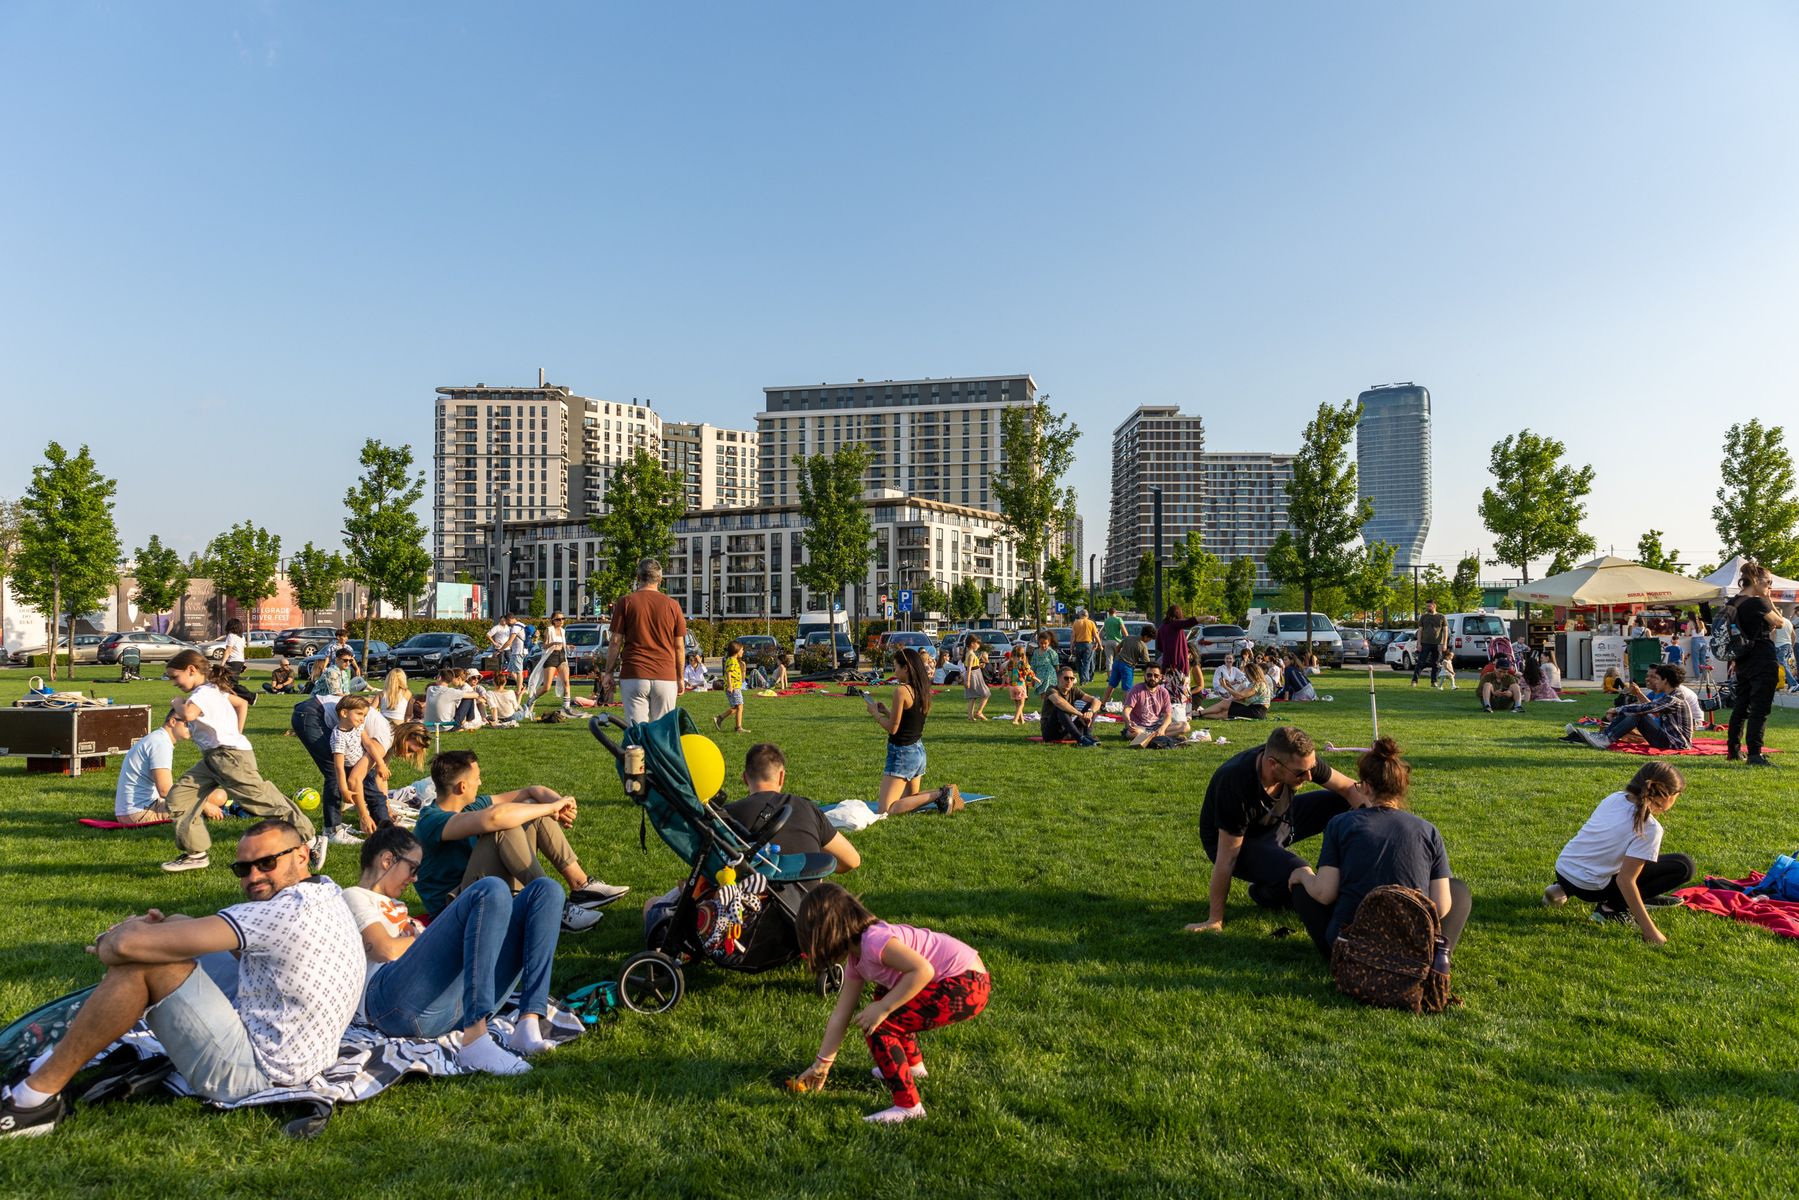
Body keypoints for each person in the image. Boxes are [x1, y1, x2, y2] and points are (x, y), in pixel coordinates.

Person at [0, 820, 363, 1136]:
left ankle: (33, 1102)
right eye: (243, 869)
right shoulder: (324, 892)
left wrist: (118, 939)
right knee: (168, 937)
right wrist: (165, 930)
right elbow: (214, 938)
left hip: (258, 1074)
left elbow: (122, 947)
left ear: (301, 855)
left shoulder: (279, 913)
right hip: (304, 1056)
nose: (254, 877)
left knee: (145, 964)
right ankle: (43, 1068)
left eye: (267, 863)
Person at [345, 827, 561, 1074]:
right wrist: (423, 937)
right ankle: (476, 1038)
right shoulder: (354, 896)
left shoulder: (400, 908)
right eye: (413, 869)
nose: (415, 879)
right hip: (388, 1005)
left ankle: (528, 1022)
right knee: (490, 889)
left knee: (547, 891)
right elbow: (386, 949)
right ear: (387, 860)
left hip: (447, 1008)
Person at [792, 883, 990, 1125]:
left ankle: (908, 1107)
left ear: (829, 932)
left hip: (967, 983)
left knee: (879, 1024)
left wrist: (884, 1008)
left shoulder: (874, 941)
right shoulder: (857, 958)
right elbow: (840, 1015)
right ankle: (913, 1067)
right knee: (883, 997)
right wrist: (821, 1064)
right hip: (964, 980)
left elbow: (923, 970)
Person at [1287, 738, 1472, 958]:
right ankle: (1436, 955)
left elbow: (1325, 893)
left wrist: (1303, 875)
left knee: (1303, 889)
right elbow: (1440, 906)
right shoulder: (1428, 831)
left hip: (1351, 947)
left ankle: (1338, 954)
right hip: (1410, 949)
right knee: (1457, 889)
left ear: (1365, 787)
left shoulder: (1341, 824)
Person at [411, 749, 627, 929]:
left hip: (482, 890)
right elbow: (495, 818)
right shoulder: (431, 821)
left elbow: (530, 792)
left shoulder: (468, 806)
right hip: (454, 912)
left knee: (531, 810)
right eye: (477, 778)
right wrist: (551, 808)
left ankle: (581, 887)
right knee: (503, 826)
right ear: (462, 787)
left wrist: (560, 804)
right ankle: (554, 907)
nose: (481, 782)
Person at [1187, 726, 1368, 932]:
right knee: (1299, 871)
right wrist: (1215, 919)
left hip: (1277, 820)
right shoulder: (1236, 783)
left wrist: (1381, 818)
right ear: (1273, 764)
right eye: (1301, 773)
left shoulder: (1299, 761)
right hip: (1241, 843)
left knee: (1341, 802)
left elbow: (1348, 787)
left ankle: (1271, 891)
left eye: (1312, 767)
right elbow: (1226, 859)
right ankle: (1284, 899)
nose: (1309, 777)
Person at [161, 650, 322, 874]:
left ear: (191, 670)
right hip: (213, 758)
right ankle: (195, 853)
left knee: (260, 801)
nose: (173, 682)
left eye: (175, 676)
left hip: (229, 758)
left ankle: (311, 839)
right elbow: (242, 704)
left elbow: (188, 714)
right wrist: (235, 733)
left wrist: (177, 702)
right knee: (179, 798)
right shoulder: (213, 690)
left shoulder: (204, 693)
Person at [1544, 763, 1694, 941]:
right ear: (1667, 796)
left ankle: (1562, 889)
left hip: (1563, 870)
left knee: (1638, 861)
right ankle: (1611, 909)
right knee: (1683, 866)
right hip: (1590, 887)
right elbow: (1625, 880)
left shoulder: (1614, 798)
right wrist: (1650, 930)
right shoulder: (1650, 827)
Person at [725, 743, 861, 873]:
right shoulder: (807, 808)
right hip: (807, 889)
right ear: (781, 776)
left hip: (754, 888)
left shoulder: (726, 816)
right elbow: (852, 860)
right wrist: (818, 867)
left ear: (745, 778)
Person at [866, 648, 962, 815]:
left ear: (906, 668)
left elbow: (893, 729)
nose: (894, 671)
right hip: (917, 751)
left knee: (886, 810)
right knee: (909, 800)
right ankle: (944, 792)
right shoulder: (922, 689)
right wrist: (887, 711)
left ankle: (941, 793)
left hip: (902, 753)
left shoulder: (901, 691)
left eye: (896, 667)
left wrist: (875, 714)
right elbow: (909, 720)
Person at [604, 558, 688, 725]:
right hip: (665, 675)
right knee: (663, 731)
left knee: (637, 731)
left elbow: (615, 641)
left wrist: (608, 673)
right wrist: (680, 677)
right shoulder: (673, 605)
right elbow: (679, 646)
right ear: (660, 579)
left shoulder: (626, 602)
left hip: (634, 673)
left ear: (638, 577)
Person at [115, 703, 225, 825]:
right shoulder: (161, 743)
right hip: (139, 813)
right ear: (173, 722)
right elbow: (165, 790)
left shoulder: (158, 738)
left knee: (219, 795)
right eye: (188, 724)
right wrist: (204, 805)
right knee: (214, 799)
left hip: (134, 809)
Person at [1724, 561, 1778, 765]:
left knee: (1741, 707)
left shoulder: (1733, 602)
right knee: (1759, 708)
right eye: (1768, 582)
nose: (1770, 586)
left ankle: (1733, 750)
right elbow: (1780, 622)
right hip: (1762, 658)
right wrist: (1768, 600)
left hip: (1742, 659)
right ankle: (1755, 753)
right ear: (1756, 580)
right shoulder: (1757, 603)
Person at [1576, 663, 1694, 751]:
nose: (1655, 682)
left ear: (1665, 680)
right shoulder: (1672, 695)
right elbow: (1648, 707)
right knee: (1635, 712)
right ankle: (1603, 736)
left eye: (1657, 679)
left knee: (1638, 714)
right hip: (1668, 739)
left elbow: (1647, 708)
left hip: (1676, 743)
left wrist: (1617, 709)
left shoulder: (1674, 699)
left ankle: (1606, 739)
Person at [1197, 658, 1271, 721]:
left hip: (1257, 712)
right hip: (1254, 710)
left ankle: (1199, 713)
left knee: (1224, 712)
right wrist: (1229, 686)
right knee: (1225, 704)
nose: (1245, 675)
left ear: (1252, 673)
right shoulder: (1255, 683)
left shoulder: (1259, 684)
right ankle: (1199, 714)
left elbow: (1240, 696)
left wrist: (1225, 686)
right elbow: (1239, 697)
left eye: (1246, 673)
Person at [529, 611, 574, 714]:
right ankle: (531, 700)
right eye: (558, 619)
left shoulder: (563, 631)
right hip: (551, 656)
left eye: (563, 619)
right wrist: (553, 643)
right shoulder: (549, 630)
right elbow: (544, 646)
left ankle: (566, 707)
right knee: (546, 687)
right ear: (553, 620)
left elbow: (562, 644)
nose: (561, 621)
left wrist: (568, 646)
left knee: (566, 682)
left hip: (561, 655)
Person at [1041, 665, 1099, 745]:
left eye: (1072, 679)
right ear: (1058, 678)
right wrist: (1080, 714)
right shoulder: (1051, 690)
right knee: (1060, 708)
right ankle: (1081, 739)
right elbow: (1059, 702)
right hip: (1051, 732)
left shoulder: (1074, 690)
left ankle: (1087, 735)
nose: (1069, 681)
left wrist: (1090, 712)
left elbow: (1096, 700)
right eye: (1066, 678)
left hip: (1067, 728)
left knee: (1092, 705)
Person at [1101, 625, 1153, 709]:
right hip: (1127, 666)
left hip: (1117, 662)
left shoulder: (1128, 638)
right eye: (1150, 639)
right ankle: (1126, 708)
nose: (1149, 641)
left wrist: (1118, 656)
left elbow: (1117, 648)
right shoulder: (1143, 645)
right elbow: (1147, 662)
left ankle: (1102, 703)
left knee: (1111, 684)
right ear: (1146, 636)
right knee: (1127, 689)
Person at [1124, 663, 1172, 747]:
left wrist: (1162, 728)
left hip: (1157, 726)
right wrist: (1128, 722)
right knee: (1134, 732)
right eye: (1149, 675)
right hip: (1140, 727)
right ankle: (1157, 737)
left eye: (1156, 676)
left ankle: (1146, 738)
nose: (1152, 678)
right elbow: (1126, 710)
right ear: (1144, 675)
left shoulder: (1164, 692)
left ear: (1161, 677)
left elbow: (1168, 715)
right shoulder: (1136, 689)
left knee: (1185, 726)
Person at [1155, 605, 1201, 686]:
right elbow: (1189, 622)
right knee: (1181, 688)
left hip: (1166, 663)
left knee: (1167, 687)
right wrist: (1207, 617)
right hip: (1178, 664)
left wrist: (1168, 649)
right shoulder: (1175, 624)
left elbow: (1159, 646)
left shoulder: (1162, 627)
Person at [713, 640, 749, 733]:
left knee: (736, 708)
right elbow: (728, 673)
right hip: (734, 688)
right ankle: (738, 728)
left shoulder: (734, 660)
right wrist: (730, 686)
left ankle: (720, 718)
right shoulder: (732, 660)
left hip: (735, 687)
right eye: (742, 650)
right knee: (740, 706)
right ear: (736, 650)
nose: (743, 651)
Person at [219, 618, 257, 705]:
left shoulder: (231, 636)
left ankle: (251, 696)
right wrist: (243, 663)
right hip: (238, 661)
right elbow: (241, 651)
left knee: (231, 683)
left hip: (233, 662)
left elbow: (228, 650)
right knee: (229, 682)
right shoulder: (242, 637)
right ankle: (232, 700)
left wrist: (222, 663)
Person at [1412, 601, 1449, 688]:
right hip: (1425, 643)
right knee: (1420, 662)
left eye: (1429, 606)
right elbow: (1420, 631)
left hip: (1437, 644)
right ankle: (1414, 681)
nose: (1428, 608)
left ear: (1434, 606)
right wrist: (1419, 643)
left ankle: (1434, 681)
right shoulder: (1423, 617)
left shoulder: (1441, 617)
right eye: (1427, 606)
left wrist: (1444, 644)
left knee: (1436, 663)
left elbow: (1445, 631)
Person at [1001, 645, 1038, 723]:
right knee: (1021, 704)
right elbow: (1030, 672)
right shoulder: (1023, 664)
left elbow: (1005, 674)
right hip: (1020, 685)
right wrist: (1036, 679)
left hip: (1012, 687)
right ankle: (1015, 720)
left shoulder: (1010, 664)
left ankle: (1021, 719)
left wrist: (1003, 684)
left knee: (1017, 704)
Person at [962, 634, 991, 721]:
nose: (978, 646)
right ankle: (979, 712)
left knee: (972, 696)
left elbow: (971, 666)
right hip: (974, 676)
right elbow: (969, 668)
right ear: (972, 644)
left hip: (975, 674)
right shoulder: (971, 654)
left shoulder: (969, 653)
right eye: (977, 643)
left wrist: (979, 665)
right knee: (986, 693)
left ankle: (970, 716)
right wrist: (967, 681)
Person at [1028, 631, 1061, 699]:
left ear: (1049, 642)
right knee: (1042, 694)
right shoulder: (1036, 652)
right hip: (1039, 675)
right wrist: (1032, 678)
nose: (1043, 645)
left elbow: (1056, 664)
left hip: (1049, 675)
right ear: (1038, 642)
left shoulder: (1051, 652)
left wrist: (1059, 677)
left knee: (1048, 692)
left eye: (1045, 643)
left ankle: (1049, 704)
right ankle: (1045, 705)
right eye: (1041, 643)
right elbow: (1033, 665)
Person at [1070, 607, 1100, 683]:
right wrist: (1099, 644)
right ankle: (1084, 678)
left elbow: (1073, 636)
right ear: (1087, 615)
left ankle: (1082, 678)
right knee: (1086, 662)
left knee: (1078, 662)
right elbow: (1095, 635)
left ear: (1080, 615)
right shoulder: (1091, 623)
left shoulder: (1076, 623)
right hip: (1088, 644)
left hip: (1078, 645)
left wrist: (1071, 646)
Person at [1100, 608, 1127, 675]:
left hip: (1108, 641)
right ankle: (1120, 674)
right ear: (1116, 612)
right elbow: (1124, 631)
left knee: (1109, 660)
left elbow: (1102, 632)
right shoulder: (1118, 619)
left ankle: (1109, 677)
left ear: (1109, 613)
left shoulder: (1106, 621)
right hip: (1117, 642)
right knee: (1120, 659)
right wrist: (1127, 639)